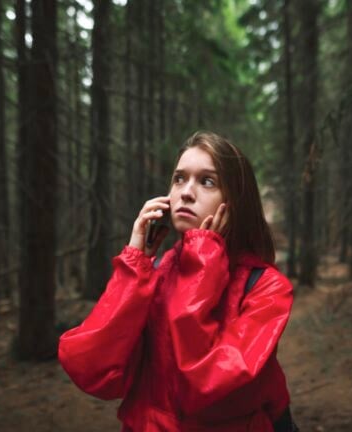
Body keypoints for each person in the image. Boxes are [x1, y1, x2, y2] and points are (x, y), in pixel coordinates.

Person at [58, 131, 297, 431]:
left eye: (207, 181)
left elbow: (204, 386)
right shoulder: (153, 271)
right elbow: (92, 368)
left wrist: (202, 258)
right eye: (179, 178)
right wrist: (135, 263)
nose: (185, 192)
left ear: (235, 200)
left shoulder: (267, 288)